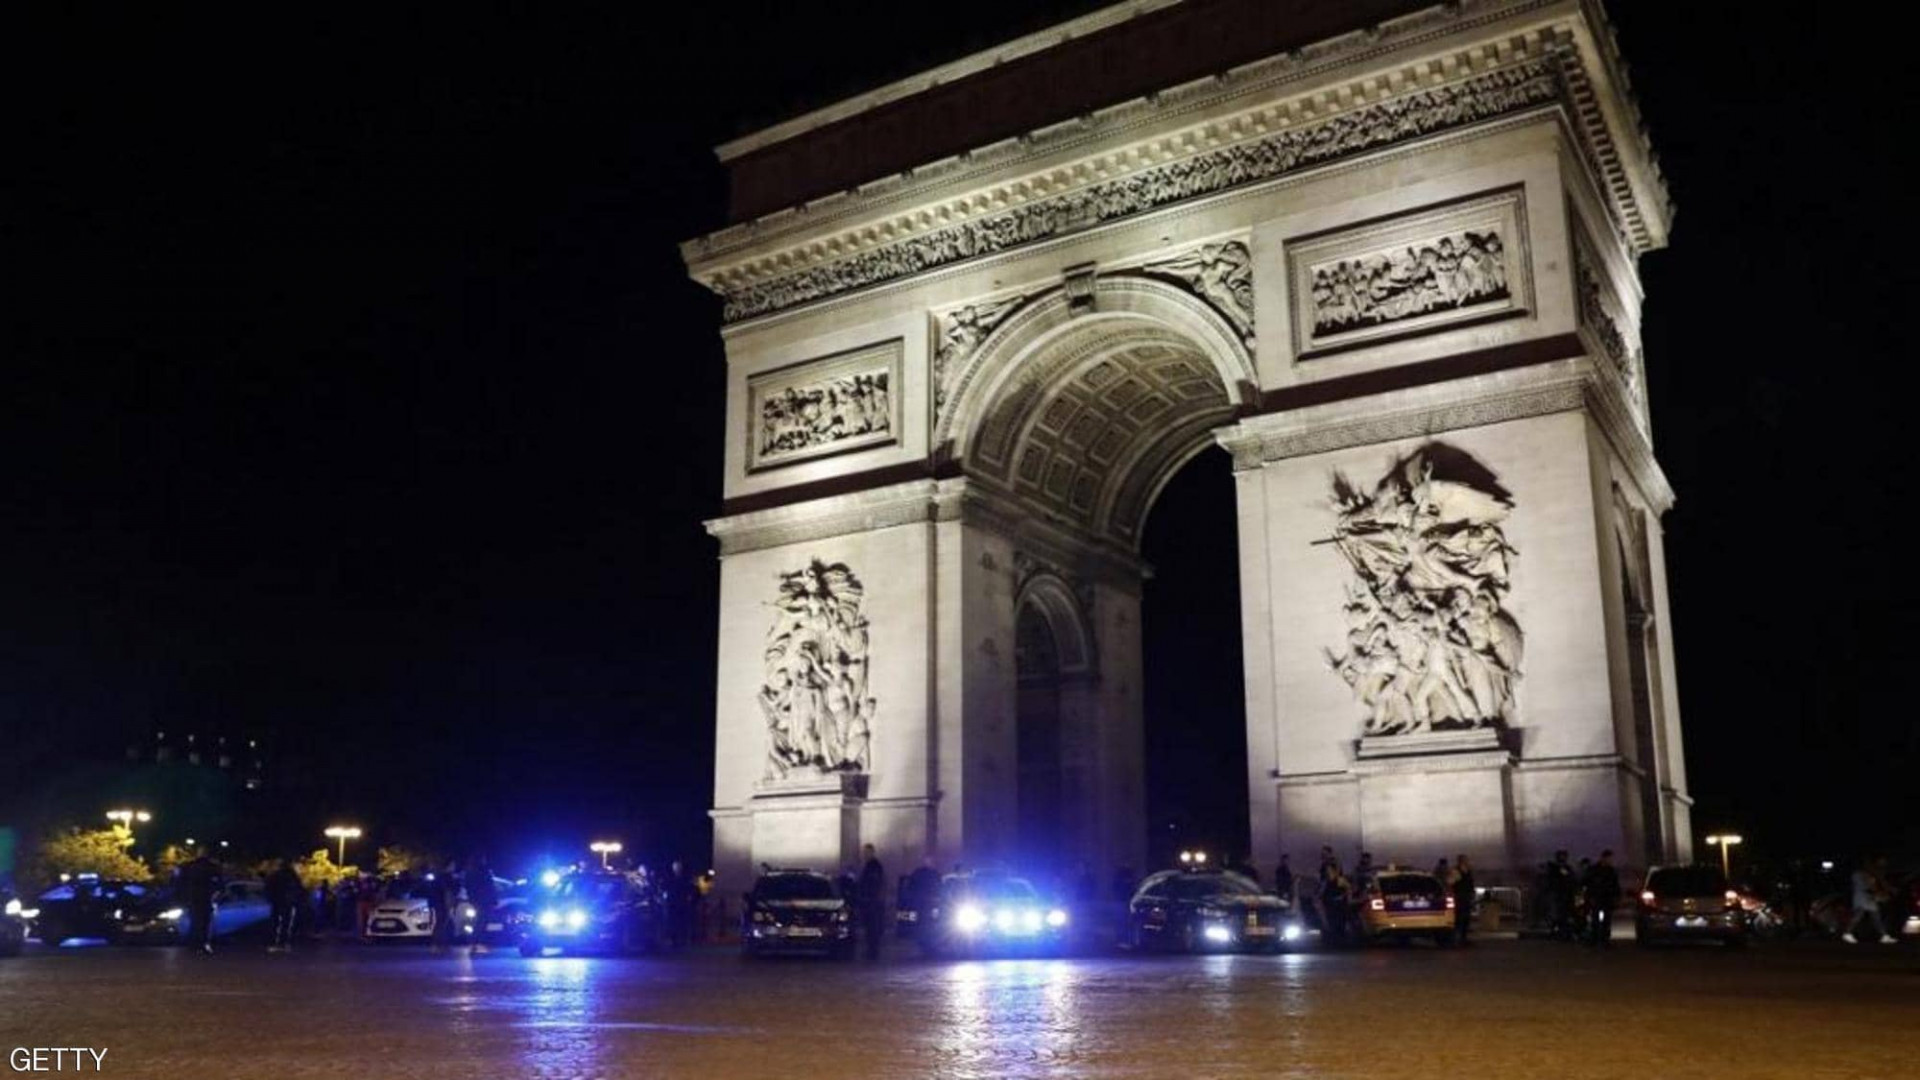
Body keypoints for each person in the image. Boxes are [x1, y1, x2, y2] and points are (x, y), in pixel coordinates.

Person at [1842, 858, 1896, 944]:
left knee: (1875, 917)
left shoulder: (1869, 874)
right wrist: (1877, 894)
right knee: (1858, 915)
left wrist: (1879, 893)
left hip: (1868, 898)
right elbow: (1865, 887)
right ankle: (1847, 933)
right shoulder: (1858, 874)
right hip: (1862, 898)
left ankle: (1884, 936)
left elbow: (1875, 885)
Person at [179, 852, 222, 955]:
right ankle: (203, 944)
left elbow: (181, 883)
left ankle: (194, 944)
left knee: (195, 922)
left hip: (193, 898)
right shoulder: (211, 867)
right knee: (204, 923)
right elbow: (219, 884)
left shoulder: (189, 867)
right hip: (206, 898)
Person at [1582, 850, 1621, 948]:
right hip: (1596, 899)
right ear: (1604, 858)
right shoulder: (1594, 870)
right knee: (1596, 920)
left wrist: (1616, 897)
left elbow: (1615, 885)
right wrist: (1590, 897)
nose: (1610, 860)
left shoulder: (1611, 871)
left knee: (1606, 921)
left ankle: (1605, 940)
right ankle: (1594, 940)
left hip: (1607, 899)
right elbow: (1587, 883)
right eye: (1609, 858)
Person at [266, 859, 302, 953]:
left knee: (275, 922)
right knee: (286, 923)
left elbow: (268, 887)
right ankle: (283, 942)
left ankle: (273, 943)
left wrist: (271, 898)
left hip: (277, 901)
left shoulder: (275, 875)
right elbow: (299, 888)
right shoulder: (292, 876)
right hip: (287, 902)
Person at [857, 844, 886, 961]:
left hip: (872, 902)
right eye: (864, 852)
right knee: (869, 928)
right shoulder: (869, 866)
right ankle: (871, 951)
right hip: (869, 901)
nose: (865, 855)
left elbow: (874, 883)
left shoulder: (874, 866)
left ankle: (873, 952)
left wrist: (871, 897)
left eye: (867, 852)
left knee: (872, 928)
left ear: (872, 852)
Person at [465, 858, 499, 953]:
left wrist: (471, 899)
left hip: (477, 900)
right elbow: (490, 887)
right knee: (482, 922)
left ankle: (475, 943)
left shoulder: (470, 873)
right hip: (485, 901)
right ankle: (478, 943)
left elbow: (468, 887)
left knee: (479, 922)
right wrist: (494, 900)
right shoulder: (484, 872)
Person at [1544, 850, 1576, 940]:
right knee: (1556, 915)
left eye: (1564, 856)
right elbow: (1551, 880)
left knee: (1564, 915)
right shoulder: (1554, 869)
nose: (1563, 858)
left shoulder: (1566, 868)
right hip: (1557, 895)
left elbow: (1571, 879)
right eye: (1561, 856)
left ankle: (1564, 932)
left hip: (1565, 895)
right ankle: (1556, 932)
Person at [1451, 854, 1475, 945]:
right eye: (1465, 860)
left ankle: (1463, 937)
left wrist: (1472, 893)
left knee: (1466, 918)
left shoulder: (1468, 870)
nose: (1467, 861)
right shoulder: (1456, 871)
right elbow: (1451, 882)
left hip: (1466, 897)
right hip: (1460, 897)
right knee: (1459, 917)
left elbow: (1470, 883)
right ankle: (1458, 937)